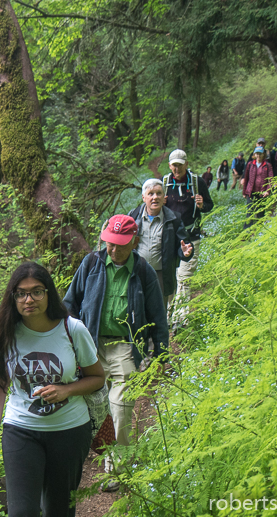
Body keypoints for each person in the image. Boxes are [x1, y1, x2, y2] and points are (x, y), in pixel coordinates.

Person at [0, 262, 106, 516]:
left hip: (70, 431)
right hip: (21, 429)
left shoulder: (72, 330)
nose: (29, 299)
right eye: (21, 293)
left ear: (49, 293)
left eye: (37, 291)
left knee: (58, 510)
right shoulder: (6, 333)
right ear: (13, 297)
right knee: (22, 511)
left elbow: (97, 378)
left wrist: (66, 390)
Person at [64, 214, 169, 491]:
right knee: (91, 409)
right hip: (91, 345)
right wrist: (67, 341)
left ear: (134, 242)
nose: (114, 249)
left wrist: (161, 355)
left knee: (121, 409)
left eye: (121, 244)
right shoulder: (91, 264)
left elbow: (158, 316)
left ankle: (116, 471)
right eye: (110, 243)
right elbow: (69, 304)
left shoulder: (143, 271)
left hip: (125, 347)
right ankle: (75, 466)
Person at [162, 149, 213, 324]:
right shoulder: (165, 183)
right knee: (169, 276)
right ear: (170, 165)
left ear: (186, 164)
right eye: (174, 165)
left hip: (191, 236)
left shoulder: (197, 182)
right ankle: (167, 315)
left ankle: (181, 319)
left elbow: (209, 205)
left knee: (184, 278)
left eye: (180, 165)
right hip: (170, 239)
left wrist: (201, 205)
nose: (177, 169)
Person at [128, 178, 194, 311]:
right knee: (137, 308)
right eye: (151, 194)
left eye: (159, 193)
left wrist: (185, 252)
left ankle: (160, 332)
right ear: (143, 197)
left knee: (159, 310)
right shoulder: (133, 217)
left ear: (164, 197)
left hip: (161, 274)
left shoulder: (173, 219)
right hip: (137, 271)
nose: (155, 197)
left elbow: (184, 244)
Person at [241, 146, 274, 229]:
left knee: (261, 213)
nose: (258, 155)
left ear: (263, 154)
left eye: (260, 154)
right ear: (254, 154)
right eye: (257, 154)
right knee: (250, 212)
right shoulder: (250, 164)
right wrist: (244, 192)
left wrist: (268, 191)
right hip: (251, 192)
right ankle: (247, 232)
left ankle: (260, 231)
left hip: (262, 193)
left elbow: (270, 179)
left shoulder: (267, 165)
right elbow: (246, 178)